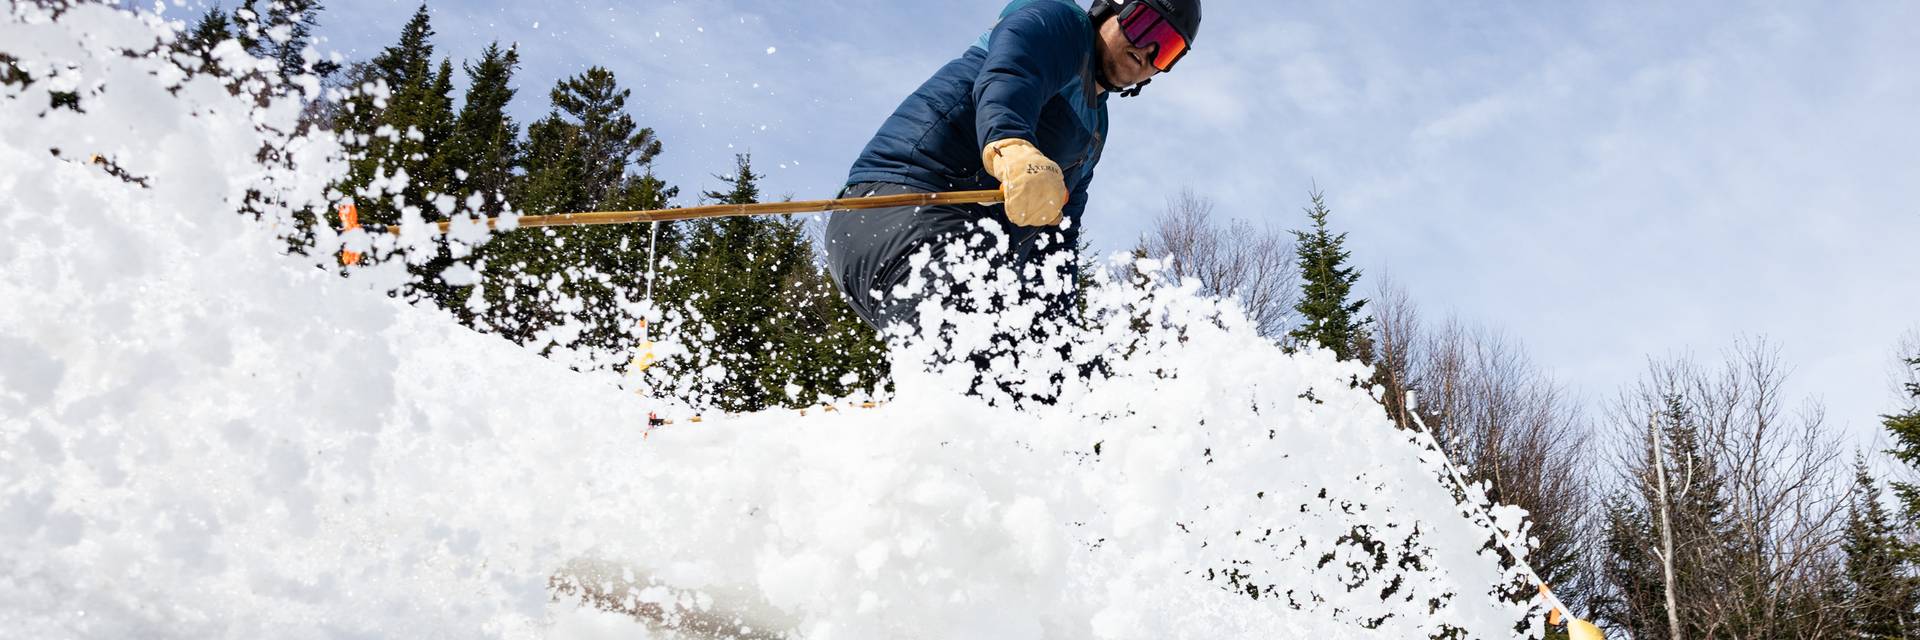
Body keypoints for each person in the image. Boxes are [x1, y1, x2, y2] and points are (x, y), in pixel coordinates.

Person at [826, 0, 1202, 337]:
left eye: (1167, 48)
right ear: (1109, 7)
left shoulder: (1095, 129)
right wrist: (1011, 144)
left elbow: (1058, 237)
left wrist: (1060, 336)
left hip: (966, 253)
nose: (1148, 51)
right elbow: (1013, 73)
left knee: (1051, 375)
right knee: (977, 349)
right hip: (899, 208)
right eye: (1145, 25)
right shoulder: (1059, 22)